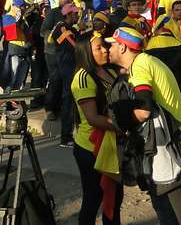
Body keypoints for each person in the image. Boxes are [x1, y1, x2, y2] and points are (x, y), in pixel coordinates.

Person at [106, 27, 181, 225]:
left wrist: (120, 124)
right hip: (175, 138)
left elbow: (143, 110)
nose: (108, 48)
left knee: (167, 206)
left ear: (122, 47)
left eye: (111, 44)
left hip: (169, 144)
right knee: (176, 204)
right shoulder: (147, 61)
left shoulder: (140, 66)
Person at [71, 34, 123, 224]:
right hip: (91, 148)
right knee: (94, 198)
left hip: (111, 146)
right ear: (86, 53)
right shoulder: (83, 78)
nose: (105, 50)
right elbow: (93, 118)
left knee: (114, 197)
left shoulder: (109, 70)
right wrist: (123, 127)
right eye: (99, 48)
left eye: (105, 47)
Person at [41, 0, 79, 125]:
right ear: (68, 15)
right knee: (55, 81)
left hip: (63, 59)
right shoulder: (62, 27)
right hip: (55, 56)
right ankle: (51, 109)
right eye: (74, 14)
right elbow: (74, 44)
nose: (77, 16)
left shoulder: (70, 27)